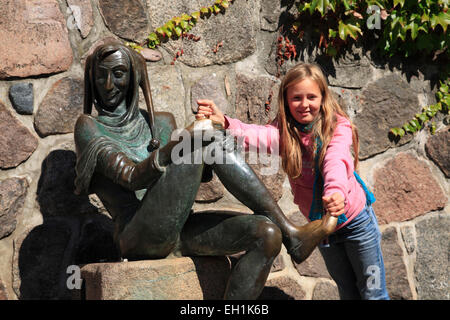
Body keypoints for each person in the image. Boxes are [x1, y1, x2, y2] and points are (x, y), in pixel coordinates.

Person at [73, 41, 335, 300]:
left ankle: (284, 233)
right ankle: (293, 234)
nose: (108, 84)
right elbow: (130, 177)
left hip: (180, 228)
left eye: (118, 74)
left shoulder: (162, 122)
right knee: (203, 137)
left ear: (134, 78)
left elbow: (185, 181)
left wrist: (203, 141)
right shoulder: (88, 127)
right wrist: (187, 140)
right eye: (100, 75)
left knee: (266, 235)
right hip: (138, 236)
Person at [196, 62, 390, 300]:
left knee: (373, 293)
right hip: (323, 230)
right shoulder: (285, 133)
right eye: (297, 98)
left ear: (323, 96)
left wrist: (336, 192)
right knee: (348, 294)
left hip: (357, 223)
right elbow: (256, 135)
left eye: (311, 96)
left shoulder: (338, 127)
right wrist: (224, 122)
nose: (305, 104)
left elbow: (335, 160)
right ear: (286, 100)